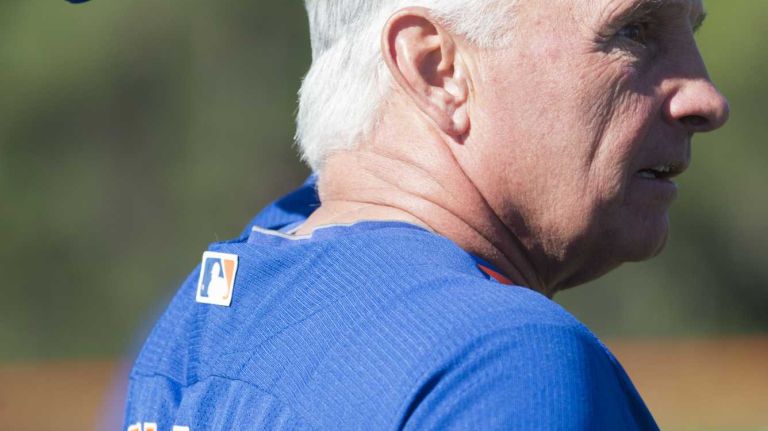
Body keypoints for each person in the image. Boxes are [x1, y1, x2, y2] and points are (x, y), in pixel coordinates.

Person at [124, 0, 729, 429]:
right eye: (633, 30)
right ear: (436, 70)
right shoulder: (507, 365)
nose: (707, 98)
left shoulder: (211, 315)